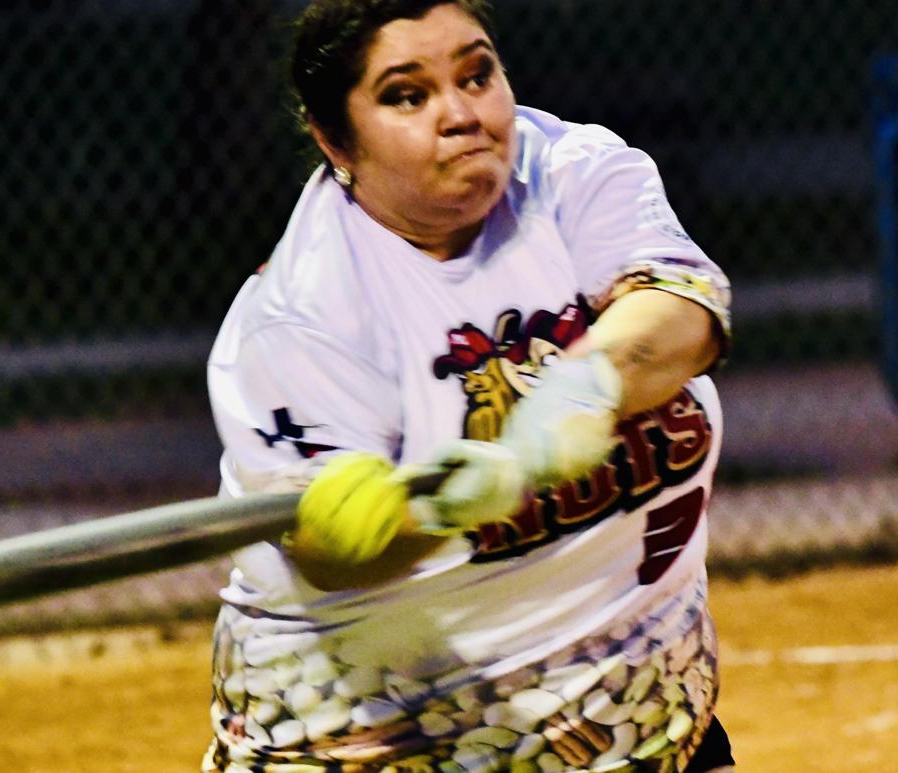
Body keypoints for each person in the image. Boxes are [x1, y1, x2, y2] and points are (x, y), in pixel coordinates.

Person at [202, 1, 735, 770]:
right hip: (380, 739)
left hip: (637, 724)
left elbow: (684, 312)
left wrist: (584, 387)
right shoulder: (299, 314)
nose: (460, 114)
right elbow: (330, 552)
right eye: (407, 95)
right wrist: (428, 511)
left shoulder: (568, 170)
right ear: (335, 141)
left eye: (476, 75)